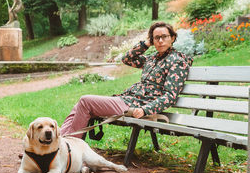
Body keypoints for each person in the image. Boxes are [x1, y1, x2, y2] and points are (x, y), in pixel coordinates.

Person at [60, 22, 193, 139]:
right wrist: (146, 44)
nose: (160, 41)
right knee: (80, 105)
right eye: (156, 38)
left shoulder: (177, 62)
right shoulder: (151, 59)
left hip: (138, 105)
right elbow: (127, 59)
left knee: (85, 101)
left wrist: (145, 109)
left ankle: (71, 145)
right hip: (129, 100)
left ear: (173, 38)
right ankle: (61, 139)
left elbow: (170, 96)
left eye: (164, 36)